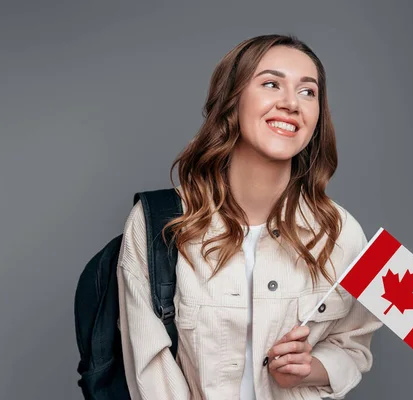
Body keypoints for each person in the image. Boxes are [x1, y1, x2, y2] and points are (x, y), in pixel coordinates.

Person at [116, 34, 383, 400]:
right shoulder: (159, 225)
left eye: (308, 92)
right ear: (233, 100)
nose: (291, 103)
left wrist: (308, 370)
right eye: (271, 84)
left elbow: (353, 347)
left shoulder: (339, 232)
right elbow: (149, 369)